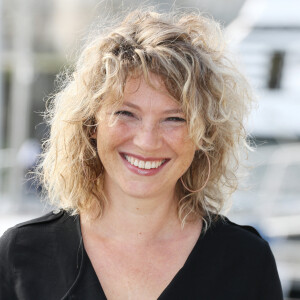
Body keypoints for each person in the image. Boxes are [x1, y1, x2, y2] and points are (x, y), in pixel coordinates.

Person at [0, 9, 283, 300]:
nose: (147, 141)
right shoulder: (21, 254)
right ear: (91, 124)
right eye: (126, 113)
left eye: (174, 118)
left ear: (204, 135)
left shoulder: (247, 262)